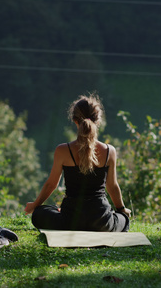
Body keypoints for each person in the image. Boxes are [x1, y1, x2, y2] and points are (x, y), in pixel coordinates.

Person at [24, 93, 131, 232]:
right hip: (101, 222)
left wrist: (34, 205)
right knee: (123, 218)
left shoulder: (62, 150)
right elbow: (112, 186)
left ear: (75, 121)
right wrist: (122, 210)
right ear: (98, 121)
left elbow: (52, 184)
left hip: (70, 221)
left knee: (39, 213)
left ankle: (57, 212)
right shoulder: (110, 151)